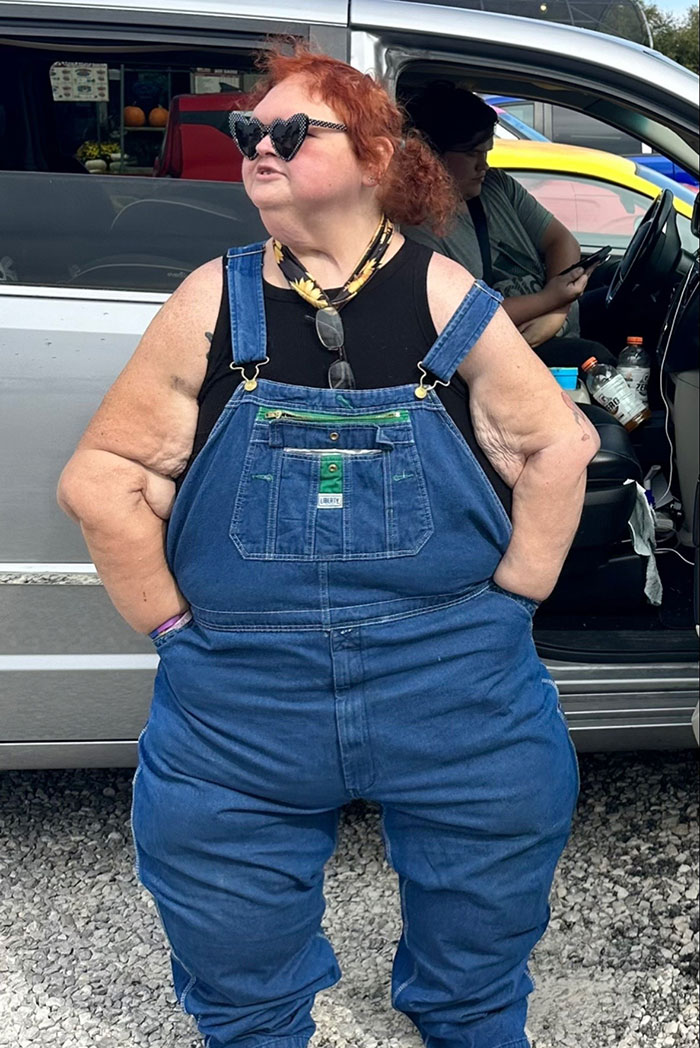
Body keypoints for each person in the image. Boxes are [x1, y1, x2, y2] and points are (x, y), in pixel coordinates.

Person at [57, 43, 599, 1048]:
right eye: (247, 131)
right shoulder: (212, 300)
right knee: (226, 919)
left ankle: (471, 1021)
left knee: (487, 903)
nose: (257, 145)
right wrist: (175, 631)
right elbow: (103, 477)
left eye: (290, 131)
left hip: (452, 677)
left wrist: (508, 608)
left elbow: (557, 445)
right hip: (243, 697)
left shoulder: (443, 293)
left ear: (376, 156)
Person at [404, 81, 618, 367]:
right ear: (431, 156)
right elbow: (464, 315)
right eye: (471, 154)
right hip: (510, 353)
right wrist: (551, 299)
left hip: (558, 322)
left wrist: (557, 312)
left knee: (632, 300)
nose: (483, 165)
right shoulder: (415, 227)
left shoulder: (496, 187)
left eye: (486, 152)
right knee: (597, 356)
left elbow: (561, 241)